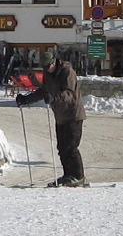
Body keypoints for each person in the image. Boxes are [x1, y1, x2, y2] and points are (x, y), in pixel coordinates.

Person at [15, 50, 86, 187]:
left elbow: (69, 94)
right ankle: (68, 175)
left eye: (48, 66)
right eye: (44, 67)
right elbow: (44, 91)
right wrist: (26, 100)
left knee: (71, 147)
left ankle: (78, 176)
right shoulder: (48, 74)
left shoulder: (67, 71)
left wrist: (54, 98)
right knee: (62, 147)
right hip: (60, 115)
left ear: (54, 62)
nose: (47, 69)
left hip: (73, 114)